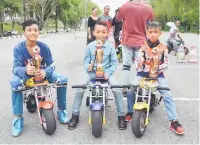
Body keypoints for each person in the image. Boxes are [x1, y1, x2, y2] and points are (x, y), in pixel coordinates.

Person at [10, 19, 68, 137]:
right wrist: (25, 70)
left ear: (39, 32)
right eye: (29, 30)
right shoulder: (18, 48)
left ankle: (61, 110)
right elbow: (15, 68)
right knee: (15, 83)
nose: (33, 33)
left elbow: (52, 64)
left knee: (62, 80)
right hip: (26, 76)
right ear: (24, 33)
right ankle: (18, 119)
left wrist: (45, 71)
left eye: (35, 30)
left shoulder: (44, 47)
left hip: (43, 74)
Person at [127, 21, 184, 135]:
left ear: (160, 33)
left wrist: (157, 68)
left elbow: (166, 63)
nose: (153, 34)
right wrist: (140, 64)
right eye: (150, 32)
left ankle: (174, 121)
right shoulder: (143, 47)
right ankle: (130, 112)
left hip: (158, 74)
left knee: (167, 94)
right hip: (142, 73)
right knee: (131, 90)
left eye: (155, 32)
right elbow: (138, 60)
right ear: (147, 33)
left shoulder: (163, 47)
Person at [67, 21, 127, 130]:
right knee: (80, 89)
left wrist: (108, 73)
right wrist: (88, 67)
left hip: (106, 72)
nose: (100, 34)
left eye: (103, 32)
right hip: (92, 72)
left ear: (107, 33)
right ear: (93, 33)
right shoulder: (90, 46)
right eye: (98, 32)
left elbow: (114, 63)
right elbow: (85, 62)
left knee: (117, 89)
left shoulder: (110, 47)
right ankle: (75, 115)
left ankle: (121, 116)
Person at [116, 0, 154, 121]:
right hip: (141, 40)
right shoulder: (148, 7)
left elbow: (118, 18)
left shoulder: (126, 6)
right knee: (141, 67)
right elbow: (151, 21)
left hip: (127, 40)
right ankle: (140, 87)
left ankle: (126, 87)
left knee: (126, 66)